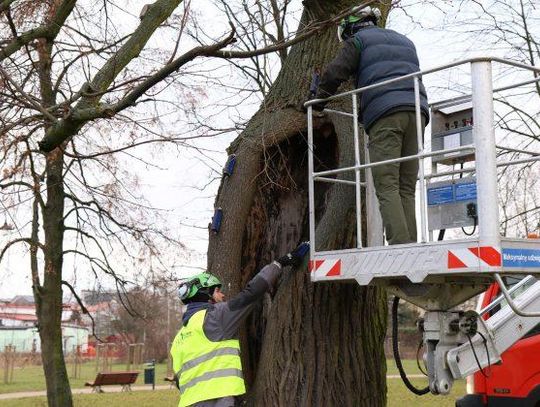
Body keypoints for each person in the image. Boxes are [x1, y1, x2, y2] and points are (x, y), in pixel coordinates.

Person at [311, 6, 430, 245]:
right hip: (417, 113)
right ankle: (411, 246)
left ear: (351, 27)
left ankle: (401, 248)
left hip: (385, 114)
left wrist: (318, 100)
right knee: (406, 186)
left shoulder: (358, 41)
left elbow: (336, 72)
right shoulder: (405, 41)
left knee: (387, 185)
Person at [170, 242, 309, 407]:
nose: (222, 294)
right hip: (219, 399)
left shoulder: (179, 338)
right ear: (206, 294)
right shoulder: (215, 318)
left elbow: (179, 380)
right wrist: (280, 263)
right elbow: (251, 294)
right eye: (217, 291)